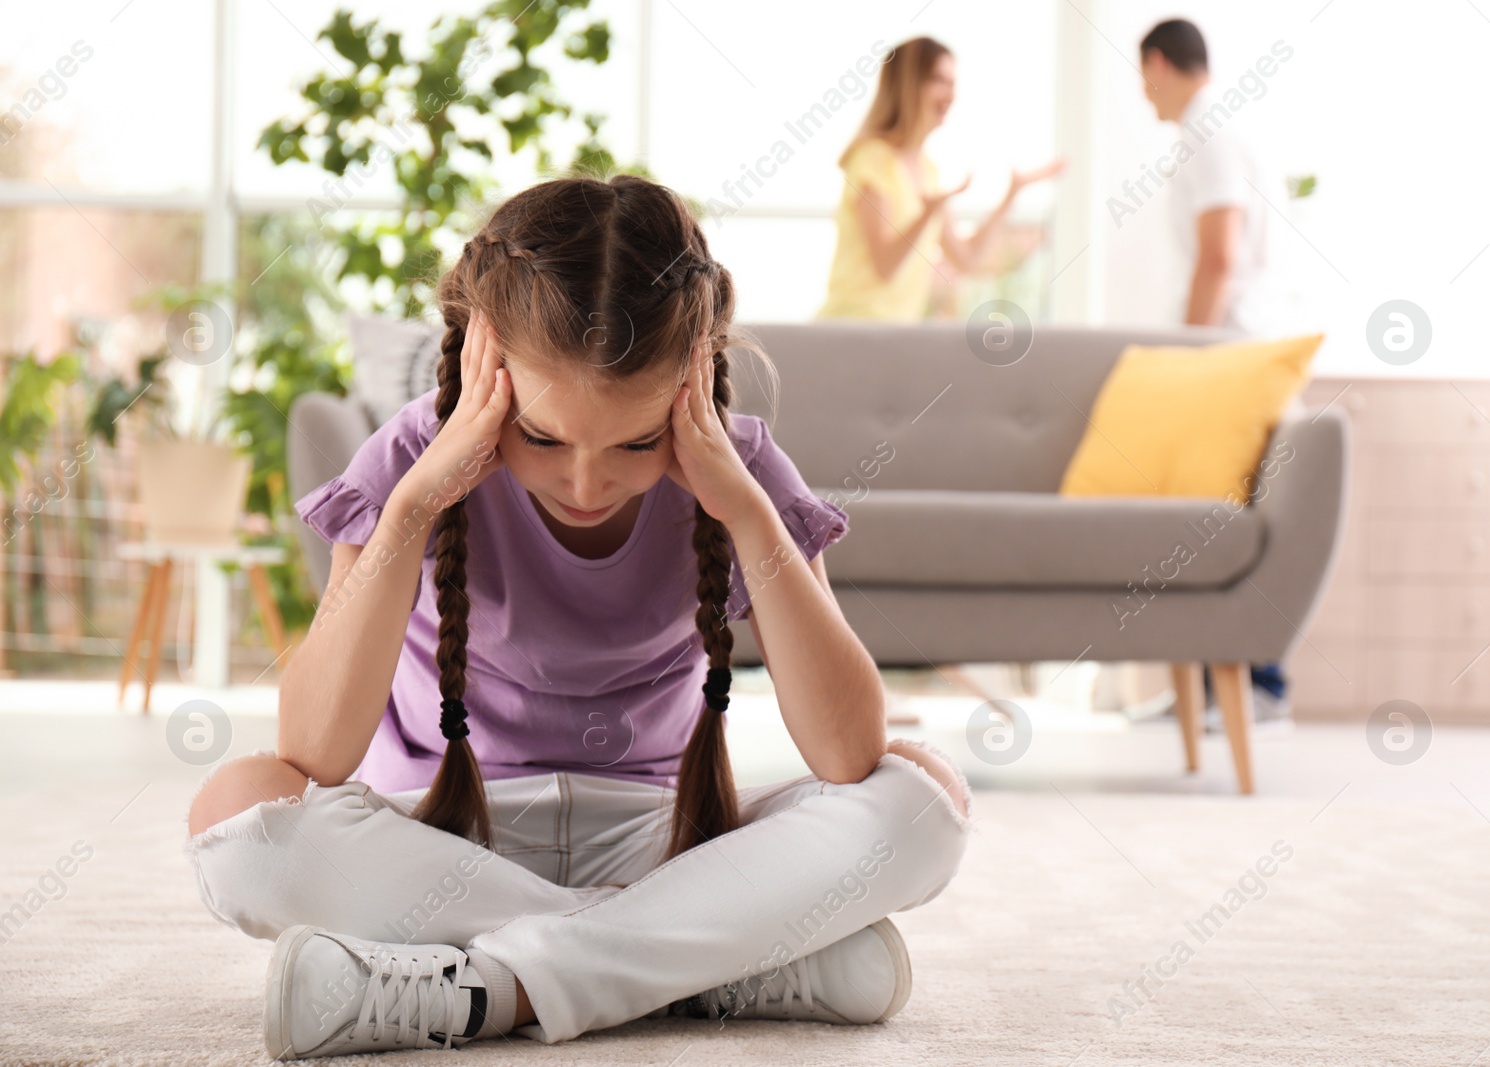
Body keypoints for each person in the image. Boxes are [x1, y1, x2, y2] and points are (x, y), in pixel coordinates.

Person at [183, 174, 974, 1059]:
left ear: (695, 371)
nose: (588, 484)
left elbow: (848, 752)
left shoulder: (739, 473)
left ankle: (493, 986)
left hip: (661, 838)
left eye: (636, 442)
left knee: (923, 797)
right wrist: (411, 510)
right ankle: (702, 961)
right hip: (441, 841)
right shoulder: (413, 459)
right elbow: (317, 752)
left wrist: (748, 515)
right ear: (485, 361)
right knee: (237, 810)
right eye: (544, 438)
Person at [1138, 18, 1290, 730]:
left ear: (1160, 64)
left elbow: (1220, 256)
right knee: (1202, 524)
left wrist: (1189, 357)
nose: (1145, 94)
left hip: (1228, 355)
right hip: (1228, 352)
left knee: (1230, 522)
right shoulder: (1211, 135)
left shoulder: (1211, 137)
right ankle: (1204, 691)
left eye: (1144, 77)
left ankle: (1260, 689)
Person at [816, 35, 1064, 321]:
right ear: (909, 85)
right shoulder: (872, 159)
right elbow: (884, 265)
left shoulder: (928, 171)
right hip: (851, 326)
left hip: (895, 334)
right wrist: (928, 212)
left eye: (952, 83)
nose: (949, 94)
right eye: (938, 81)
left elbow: (966, 258)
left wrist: (1012, 194)